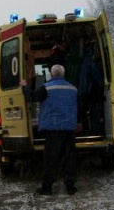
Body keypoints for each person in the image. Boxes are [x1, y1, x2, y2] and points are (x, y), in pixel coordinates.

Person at [21, 64, 78, 196]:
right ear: (63, 75)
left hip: (53, 128)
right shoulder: (73, 88)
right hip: (69, 128)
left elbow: (32, 97)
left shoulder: (47, 88)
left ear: (51, 75)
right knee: (69, 158)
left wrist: (24, 85)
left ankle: (47, 187)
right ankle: (70, 187)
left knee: (51, 159)